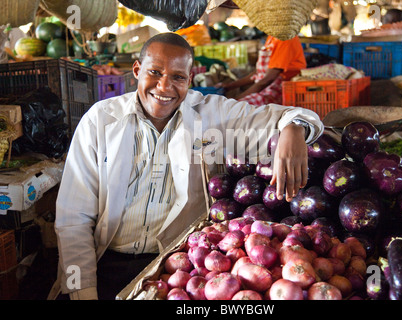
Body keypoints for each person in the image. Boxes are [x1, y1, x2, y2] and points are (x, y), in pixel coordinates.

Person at [48, 32, 323, 300]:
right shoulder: (100, 121)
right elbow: (74, 218)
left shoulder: (212, 114)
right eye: (155, 72)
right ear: (136, 70)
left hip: (174, 270)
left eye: (178, 77)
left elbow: (286, 116)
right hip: (105, 263)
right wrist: (84, 292)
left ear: (190, 80)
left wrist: (293, 127)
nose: (164, 87)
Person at [216, 34, 307, 106]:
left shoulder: (286, 39)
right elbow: (257, 73)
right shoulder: (272, 37)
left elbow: (267, 80)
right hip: (265, 88)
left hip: (280, 93)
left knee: (239, 108)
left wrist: (235, 101)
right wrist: (229, 86)